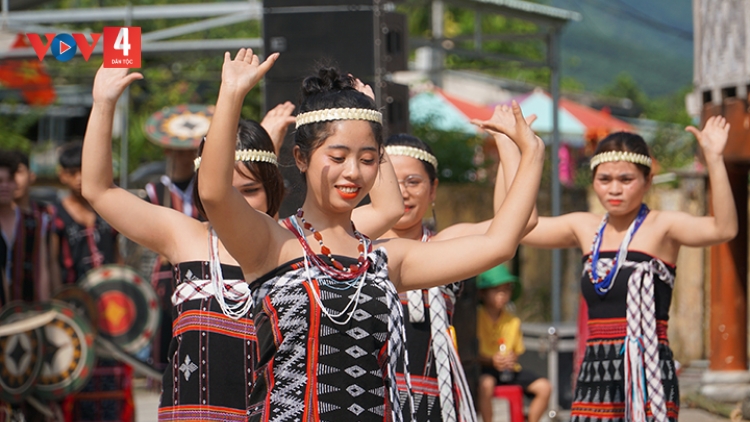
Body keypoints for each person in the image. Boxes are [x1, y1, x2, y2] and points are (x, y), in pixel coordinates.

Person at [197, 48, 543, 422]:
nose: (353, 173)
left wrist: (532, 153)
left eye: (366, 159)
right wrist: (231, 93)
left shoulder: (385, 260)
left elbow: (500, 244)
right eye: (337, 156)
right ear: (300, 158)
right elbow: (215, 192)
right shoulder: (271, 244)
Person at [80, 65, 402, 421]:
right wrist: (103, 104)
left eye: (251, 191)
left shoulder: (298, 244)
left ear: (273, 189)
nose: (239, 203)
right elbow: (99, 190)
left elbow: (389, 208)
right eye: (231, 192)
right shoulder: (184, 237)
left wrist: (364, 118)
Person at [519, 119, 737, 422]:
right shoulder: (584, 227)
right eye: (604, 179)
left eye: (626, 179)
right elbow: (521, 228)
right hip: (595, 371)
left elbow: (723, 228)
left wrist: (714, 159)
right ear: (593, 181)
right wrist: (517, 152)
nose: (614, 189)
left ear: (647, 181)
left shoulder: (664, 226)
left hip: (649, 372)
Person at [381, 128, 538, 422]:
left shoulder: (445, 245)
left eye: (413, 181)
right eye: (391, 181)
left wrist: (505, 143)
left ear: (433, 189)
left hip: (439, 400)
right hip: (373, 397)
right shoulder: (358, 247)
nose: (403, 191)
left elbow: (521, 222)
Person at [475, 264, 551, 422]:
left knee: (544, 387)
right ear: (483, 293)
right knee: (485, 384)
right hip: (486, 368)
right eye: (496, 290)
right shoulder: (475, 318)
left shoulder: (513, 320)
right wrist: (491, 360)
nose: (502, 295)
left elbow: (517, 350)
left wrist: (511, 358)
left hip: (509, 370)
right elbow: (473, 354)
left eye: (506, 290)